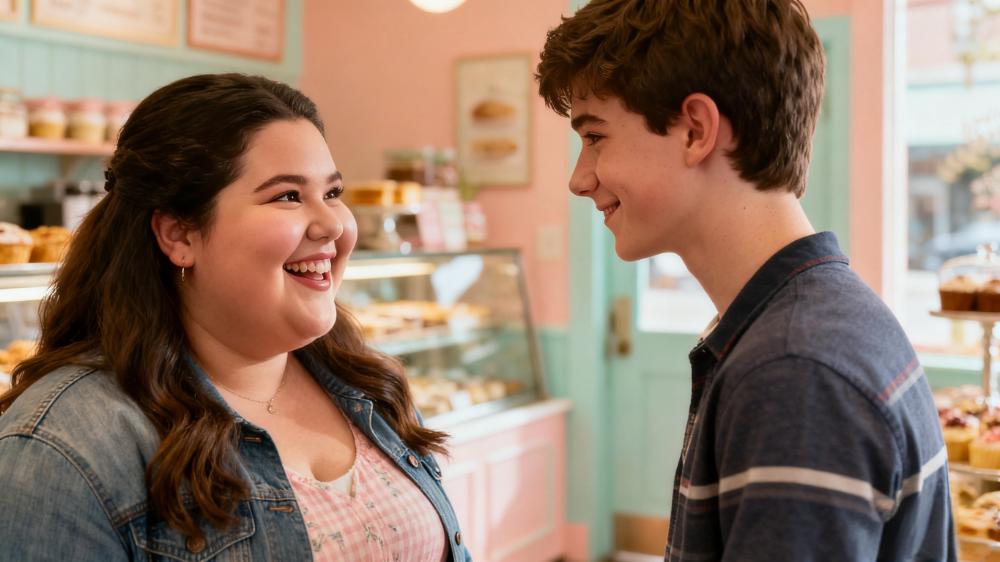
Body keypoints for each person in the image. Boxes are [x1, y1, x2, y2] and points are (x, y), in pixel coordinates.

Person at [537, 1, 955, 560]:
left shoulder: (795, 371)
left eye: (595, 137)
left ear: (695, 130)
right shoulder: (813, 323)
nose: (578, 178)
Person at [0, 73, 469, 562]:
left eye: (332, 193)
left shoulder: (367, 385)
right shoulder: (63, 446)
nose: (333, 224)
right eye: (288, 195)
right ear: (179, 235)